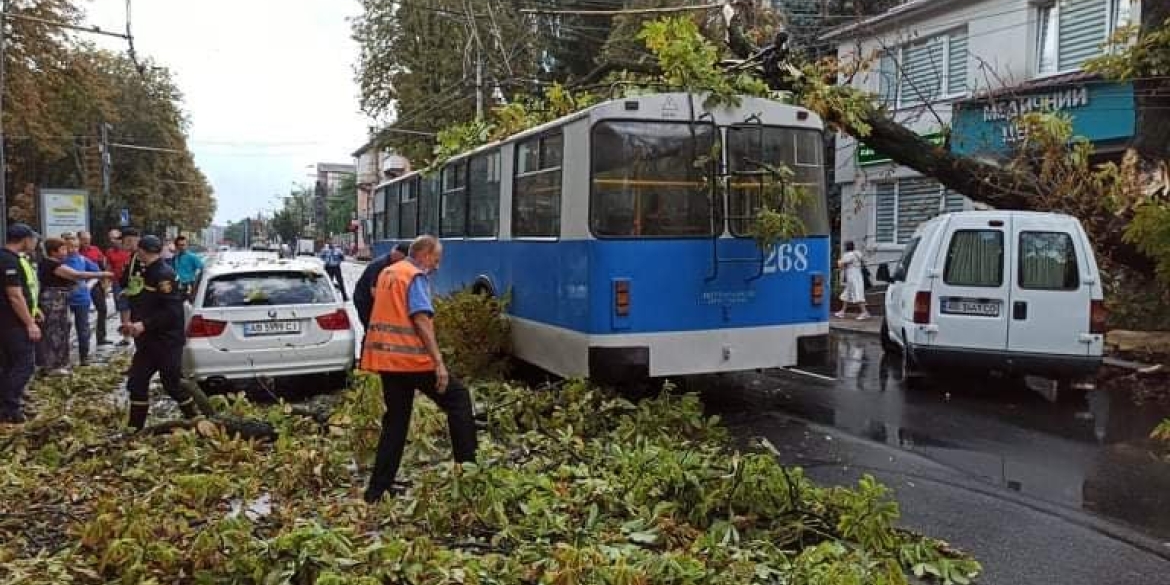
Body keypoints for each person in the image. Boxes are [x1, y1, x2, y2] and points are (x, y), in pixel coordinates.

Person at [362, 236, 477, 503]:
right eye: (436, 260)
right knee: (458, 399)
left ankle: (377, 490)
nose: (436, 266)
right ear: (424, 254)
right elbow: (421, 319)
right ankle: (470, 471)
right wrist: (438, 362)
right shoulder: (414, 276)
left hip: (388, 361)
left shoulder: (388, 273)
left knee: (396, 423)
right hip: (411, 360)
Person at [121, 235, 199, 430]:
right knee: (137, 382)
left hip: (167, 342)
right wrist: (133, 323)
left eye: (138, 250)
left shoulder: (163, 274)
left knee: (171, 384)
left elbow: (171, 312)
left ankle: (196, 420)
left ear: (143, 251)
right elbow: (140, 297)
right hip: (148, 342)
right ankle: (134, 429)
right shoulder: (144, 270)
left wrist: (144, 325)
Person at [38, 237, 110, 375]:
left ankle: (60, 362)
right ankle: (53, 365)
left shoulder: (57, 262)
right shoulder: (51, 264)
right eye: (63, 249)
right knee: (55, 332)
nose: (66, 251)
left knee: (63, 329)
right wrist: (102, 274)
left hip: (61, 300)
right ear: (53, 251)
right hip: (53, 301)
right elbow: (76, 275)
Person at [0, 224, 42, 425]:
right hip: (12, 322)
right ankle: (10, 407)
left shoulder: (8, 258)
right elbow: (14, 295)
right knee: (24, 365)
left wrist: (35, 310)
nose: (34, 243)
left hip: (8, 321)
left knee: (9, 365)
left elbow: (24, 292)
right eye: (32, 239)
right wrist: (29, 323)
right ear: (24, 239)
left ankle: (6, 405)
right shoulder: (9, 260)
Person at [62, 234, 105, 366]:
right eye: (69, 247)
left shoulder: (82, 260)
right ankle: (63, 357)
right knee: (64, 328)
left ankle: (84, 356)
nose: (72, 250)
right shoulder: (60, 261)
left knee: (83, 328)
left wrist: (89, 285)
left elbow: (97, 273)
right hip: (65, 299)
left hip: (82, 298)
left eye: (75, 247)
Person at [353, 242, 409, 332]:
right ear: (398, 254)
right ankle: (367, 344)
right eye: (403, 258)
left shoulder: (394, 263)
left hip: (374, 299)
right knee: (371, 328)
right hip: (364, 300)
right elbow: (373, 291)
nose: (404, 261)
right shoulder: (380, 265)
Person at [78, 231, 111, 346]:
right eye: (84, 239)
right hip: (81, 284)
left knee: (102, 309)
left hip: (96, 282)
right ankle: (84, 338)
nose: (87, 242)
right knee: (83, 312)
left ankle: (101, 337)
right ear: (79, 240)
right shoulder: (75, 252)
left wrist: (105, 283)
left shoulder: (95, 250)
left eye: (88, 239)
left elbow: (101, 266)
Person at [116, 228, 146, 342]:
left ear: (129, 240)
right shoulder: (134, 255)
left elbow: (140, 280)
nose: (121, 244)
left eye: (122, 241)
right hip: (136, 302)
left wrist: (128, 291)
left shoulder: (140, 256)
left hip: (141, 303)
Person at [105, 228, 133, 346]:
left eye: (115, 238)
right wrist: (106, 285)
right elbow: (108, 268)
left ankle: (136, 332)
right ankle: (126, 337)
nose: (113, 241)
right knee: (123, 309)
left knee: (134, 307)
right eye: (110, 238)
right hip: (118, 283)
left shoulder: (130, 250)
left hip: (132, 282)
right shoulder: (109, 252)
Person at [835, 241, 870, 320]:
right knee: (846, 294)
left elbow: (840, 265)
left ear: (847, 247)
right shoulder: (857, 253)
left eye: (845, 246)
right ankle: (842, 312)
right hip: (857, 275)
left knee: (857, 294)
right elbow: (864, 260)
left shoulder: (848, 255)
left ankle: (864, 312)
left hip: (852, 276)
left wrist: (839, 261)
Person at [170, 235, 204, 301]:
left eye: (183, 245)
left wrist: (196, 283)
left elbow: (202, 268)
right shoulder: (175, 257)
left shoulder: (192, 257)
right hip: (177, 286)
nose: (182, 247)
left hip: (189, 286)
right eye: (179, 245)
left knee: (188, 306)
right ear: (176, 246)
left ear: (187, 245)